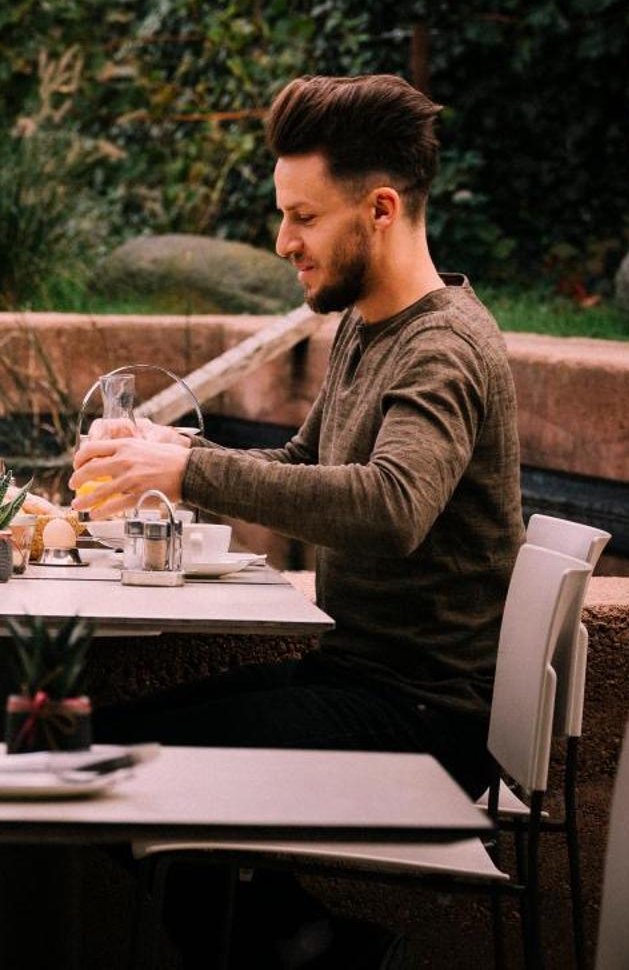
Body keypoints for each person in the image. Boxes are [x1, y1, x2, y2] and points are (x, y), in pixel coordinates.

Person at [73, 74, 522, 964]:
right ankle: (325, 947)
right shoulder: (366, 326)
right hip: (359, 676)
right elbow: (304, 470)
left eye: (304, 217)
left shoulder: (444, 349)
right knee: (89, 747)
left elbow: (394, 505)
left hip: (426, 717)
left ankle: (323, 952)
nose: (284, 241)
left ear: (381, 208)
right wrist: (164, 460)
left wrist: (190, 466)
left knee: (107, 773)